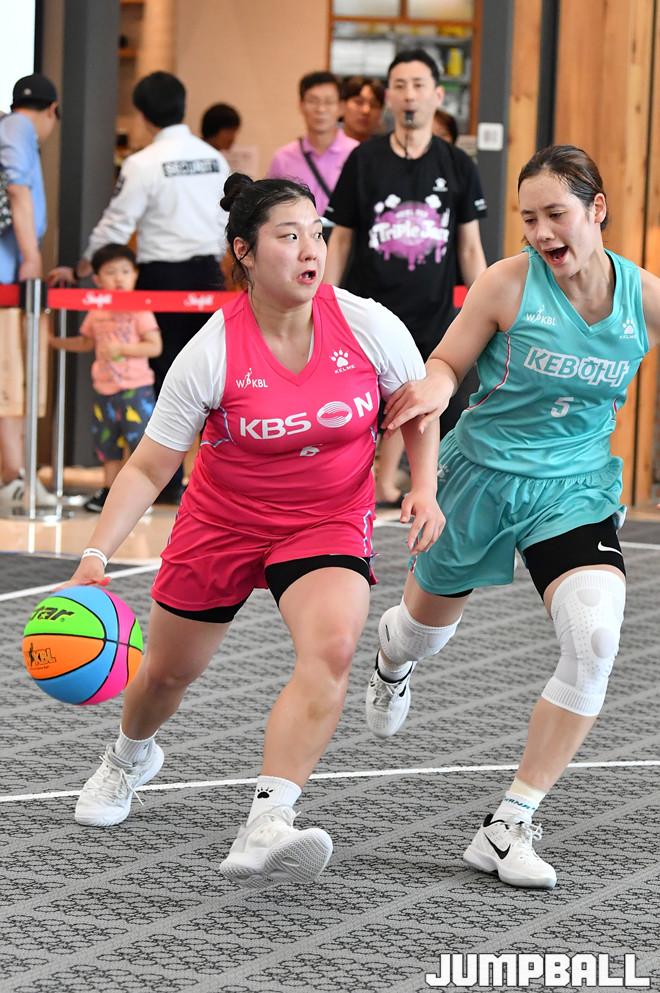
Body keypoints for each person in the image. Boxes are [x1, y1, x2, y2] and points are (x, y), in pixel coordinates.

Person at [62, 175, 444, 891]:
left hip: (328, 517)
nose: (310, 250)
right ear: (244, 250)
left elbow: (417, 404)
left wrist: (422, 484)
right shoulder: (211, 350)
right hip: (223, 522)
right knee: (166, 674)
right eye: (288, 236)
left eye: (317, 234)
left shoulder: (366, 323)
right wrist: (94, 553)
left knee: (333, 647)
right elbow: (149, 466)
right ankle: (127, 757)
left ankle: (269, 819)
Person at [363, 144, 660, 889]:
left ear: (596, 209)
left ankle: (509, 823)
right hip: (481, 478)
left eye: (556, 214)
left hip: (574, 488)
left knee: (595, 637)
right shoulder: (508, 283)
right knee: (422, 633)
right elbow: (447, 363)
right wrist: (435, 388)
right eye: (529, 218)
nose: (541, 232)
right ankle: (392, 658)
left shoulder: (643, 298)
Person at [48, 72, 230, 504]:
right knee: (211, 379)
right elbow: (230, 220)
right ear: (184, 105)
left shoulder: (143, 163)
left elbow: (116, 224)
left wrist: (83, 267)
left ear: (144, 116)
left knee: (163, 382)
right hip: (210, 279)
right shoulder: (215, 160)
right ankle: (209, 484)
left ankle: (164, 482)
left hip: (161, 280)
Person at [324, 49, 487, 508]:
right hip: (367, 311)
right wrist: (324, 301)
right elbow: (340, 240)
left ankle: (402, 486)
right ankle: (351, 485)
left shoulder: (458, 165)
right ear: (389, 98)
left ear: (437, 95)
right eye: (400, 86)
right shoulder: (363, 160)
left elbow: (470, 248)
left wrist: (487, 309)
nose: (409, 95)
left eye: (418, 85)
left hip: (431, 312)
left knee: (416, 400)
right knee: (357, 403)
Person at [48, 244, 162, 513]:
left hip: (136, 390)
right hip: (104, 390)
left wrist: (122, 349)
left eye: (125, 271)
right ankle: (109, 492)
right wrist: (56, 342)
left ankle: (138, 496)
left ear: (135, 275)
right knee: (107, 444)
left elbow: (154, 346)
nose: (119, 278)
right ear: (98, 279)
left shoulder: (139, 309)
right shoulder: (97, 310)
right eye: (111, 272)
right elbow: (87, 342)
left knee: (138, 444)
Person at [0, 74, 60, 512]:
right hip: (7, 278)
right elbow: (18, 191)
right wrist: (31, 256)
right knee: (10, 377)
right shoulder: (19, 128)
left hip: (10, 276)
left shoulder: (9, 127)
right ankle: (13, 477)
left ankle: (19, 473)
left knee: (17, 376)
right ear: (52, 111)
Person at [267, 71, 357, 220]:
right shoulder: (282, 158)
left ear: (341, 107)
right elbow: (271, 209)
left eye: (329, 102)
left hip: (340, 234)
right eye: (313, 101)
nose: (320, 109)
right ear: (301, 105)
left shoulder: (357, 154)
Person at [340, 76, 385, 143]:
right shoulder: (326, 144)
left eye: (373, 105)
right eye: (359, 102)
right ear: (342, 106)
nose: (366, 110)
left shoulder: (384, 147)